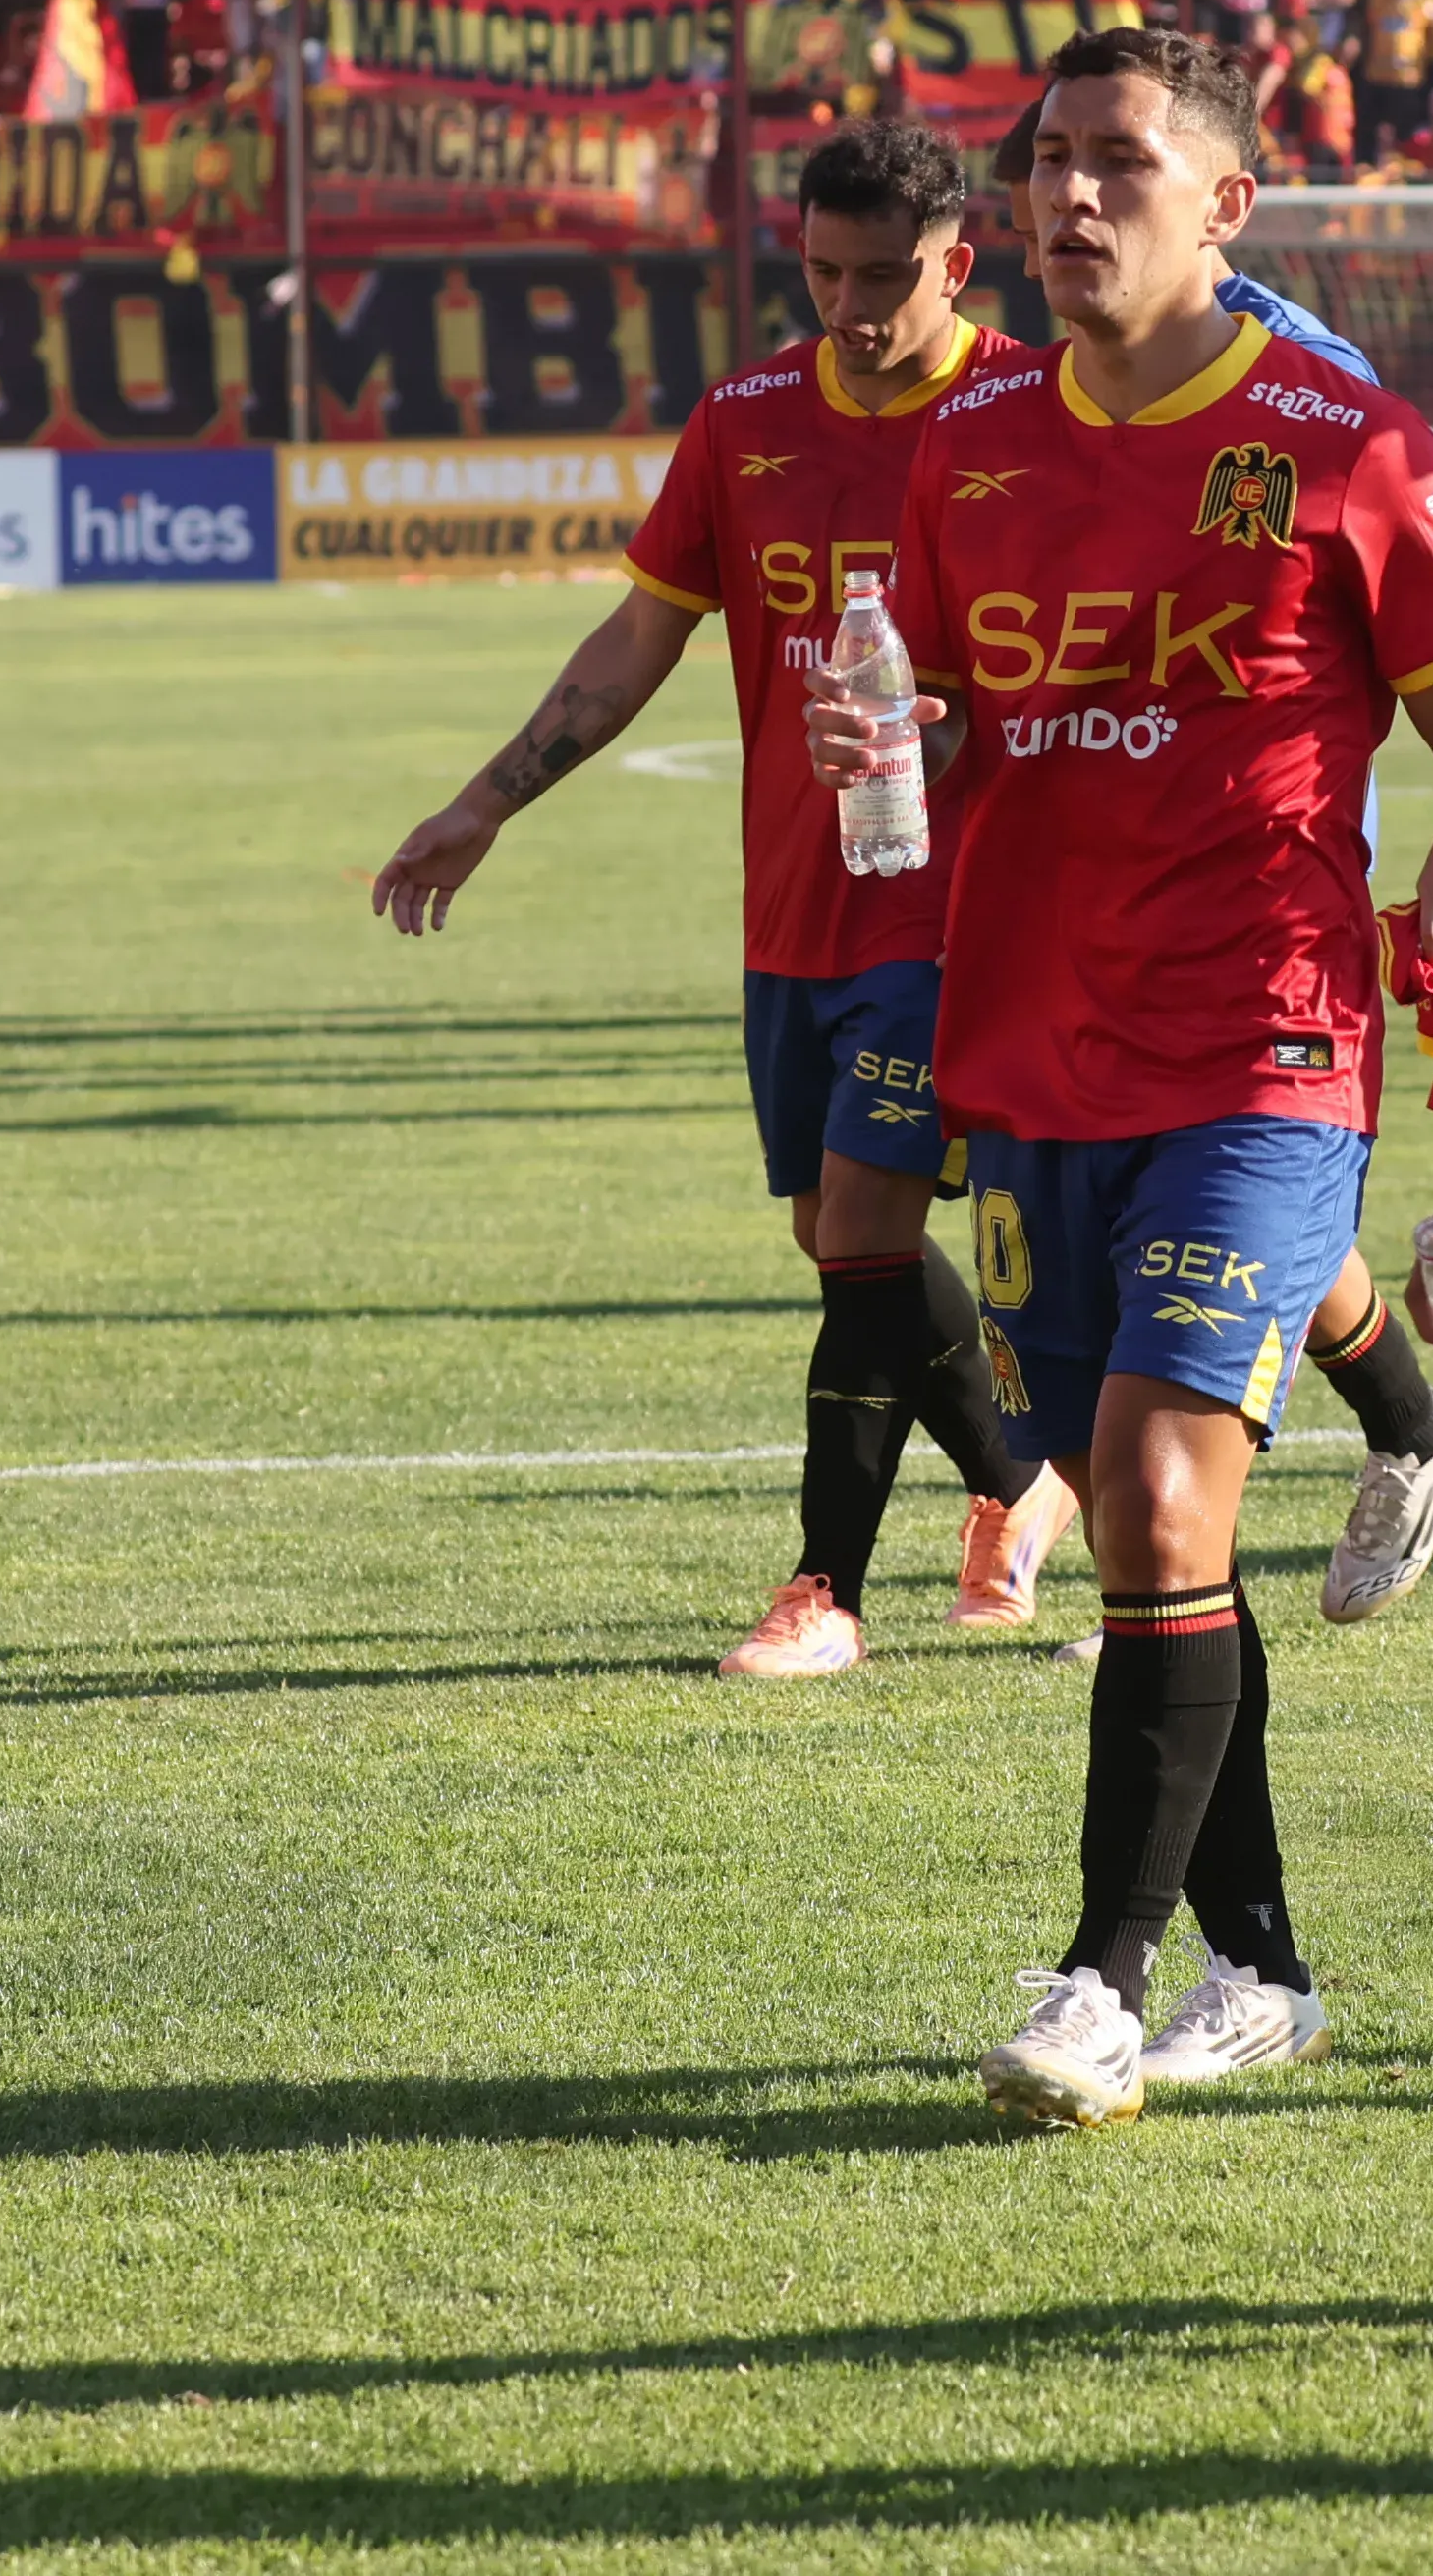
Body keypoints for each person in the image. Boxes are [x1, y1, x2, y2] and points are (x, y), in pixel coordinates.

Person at [812, 27, 1433, 2129]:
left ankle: (1093, 1981)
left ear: (1226, 207)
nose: (1067, 201)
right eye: (1046, 166)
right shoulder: (978, 446)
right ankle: (1261, 1967)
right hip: (1032, 1046)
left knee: (1145, 1484)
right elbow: (950, 722)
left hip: (1263, 1044)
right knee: (1158, 1543)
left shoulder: (1342, 439)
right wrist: (897, 757)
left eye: (1121, 163)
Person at [373, 115, 1069, 1675]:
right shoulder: (748, 414)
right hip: (793, 911)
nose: (850, 308)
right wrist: (487, 799)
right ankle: (1022, 1479)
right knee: (838, 1233)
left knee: (875, 1223)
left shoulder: (1036, 406)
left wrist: (951, 729)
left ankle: (828, 1591)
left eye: (886, 277)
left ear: (962, 260)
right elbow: (638, 640)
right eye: (823, 273)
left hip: (959, 899)